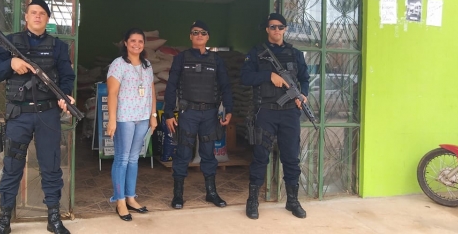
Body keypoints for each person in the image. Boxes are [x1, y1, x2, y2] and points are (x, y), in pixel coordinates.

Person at [0, 0, 75, 234]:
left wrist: (66, 95)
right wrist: (11, 63)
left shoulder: (58, 46)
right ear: (26, 17)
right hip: (19, 116)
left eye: (42, 14)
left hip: (48, 115)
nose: (37, 16)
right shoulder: (9, 43)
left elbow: (67, 75)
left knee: (51, 167)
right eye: (33, 13)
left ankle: (54, 218)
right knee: (12, 167)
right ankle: (4, 220)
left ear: (47, 19)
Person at [241, 12, 310, 220]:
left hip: (290, 113)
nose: (277, 30)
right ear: (267, 30)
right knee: (261, 156)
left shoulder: (295, 54)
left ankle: (292, 200)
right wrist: (268, 76)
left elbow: (305, 78)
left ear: (285, 29)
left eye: (280, 27)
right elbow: (244, 77)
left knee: (291, 158)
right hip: (266, 112)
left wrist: (303, 95)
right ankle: (252, 200)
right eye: (272, 27)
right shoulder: (256, 52)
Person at [163, 20, 233, 209]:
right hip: (188, 113)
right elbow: (171, 86)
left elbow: (225, 86)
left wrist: (229, 109)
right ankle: (178, 195)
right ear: (190, 36)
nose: (199, 35)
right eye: (195, 32)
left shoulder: (216, 60)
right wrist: (169, 113)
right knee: (183, 153)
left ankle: (211, 193)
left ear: (208, 36)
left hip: (210, 114)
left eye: (203, 32)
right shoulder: (182, 58)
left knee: (208, 154)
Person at [106, 28, 158, 221]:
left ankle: (130, 197)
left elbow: (152, 90)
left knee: (134, 159)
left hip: (143, 118)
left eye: (140, 41)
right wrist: (112, 119)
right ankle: (119, 201)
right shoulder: (118, 65)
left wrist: (153, 115)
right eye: (133, 41)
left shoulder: (147, 65)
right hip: (125, 118)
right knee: (122, 159)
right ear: (125, 43)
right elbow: (112, 93)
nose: (137, 44)